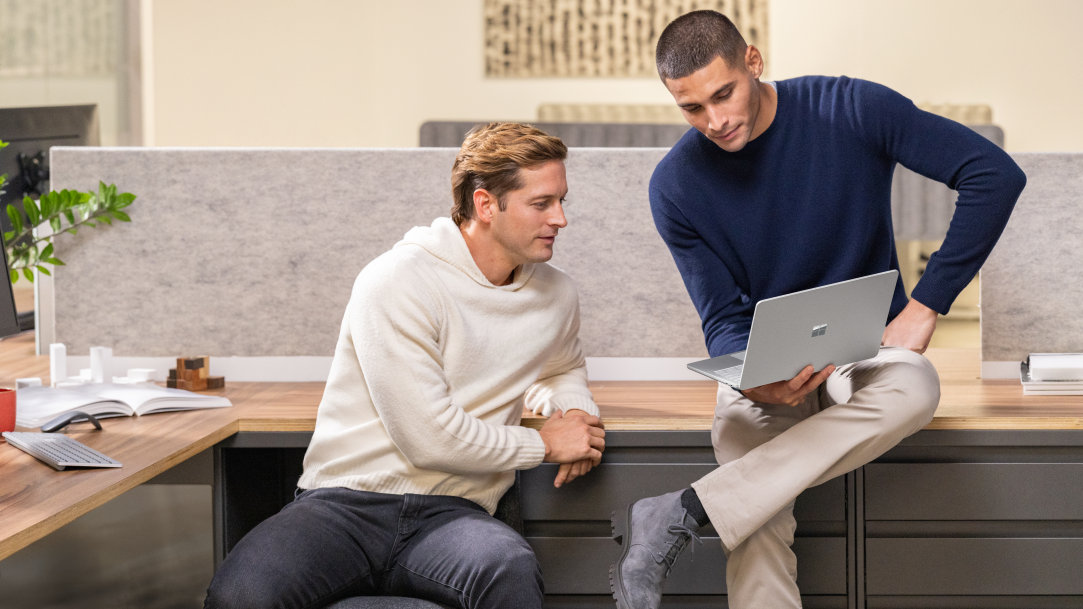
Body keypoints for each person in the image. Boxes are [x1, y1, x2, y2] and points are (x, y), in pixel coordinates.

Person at [610, 10, 1025, 609]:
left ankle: (689, 508)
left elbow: (993, 174)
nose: (716, 120)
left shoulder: (851, 108)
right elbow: (722, 315)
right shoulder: (674, 185)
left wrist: (928, 303)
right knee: (741, 450)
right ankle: (699, 507)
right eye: (692, 108)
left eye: (723, 93)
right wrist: (754, 381)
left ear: (753, 61)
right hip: (768, 363)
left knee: (916, 387)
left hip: (865, 350)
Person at [204, 122, 606, 609]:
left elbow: (560, 365)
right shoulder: (397, 281)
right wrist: (542, 442)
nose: (560, 218)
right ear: (485, 204)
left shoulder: (555, 293)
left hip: (454, 515)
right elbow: (429, 437)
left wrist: (575, 414)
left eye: (562, 200)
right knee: (240, 595)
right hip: (345, 504)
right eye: (541, 203)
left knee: (507, 568)